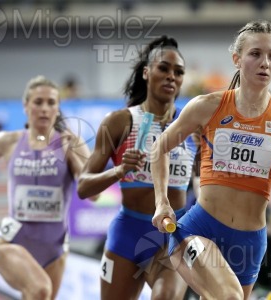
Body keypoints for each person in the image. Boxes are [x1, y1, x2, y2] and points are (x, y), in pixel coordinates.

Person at [151, 20, 271, 299]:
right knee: (229, 297)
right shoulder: (207, 106)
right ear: (237, 59)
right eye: (255, 54)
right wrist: (161, 202)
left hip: (249, 242)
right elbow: (158, 149)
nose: (265, 63)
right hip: (199, 230)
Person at [0, 75, 93, 300]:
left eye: (51, 102)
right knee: (40, 289)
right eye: (38, 102)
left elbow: (93, 195)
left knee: (37, 294)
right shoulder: (7, 141)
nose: (44, 108)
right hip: (12, 241)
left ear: (58, 107)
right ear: (25, 105)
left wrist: (85, 165)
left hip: (54, 248)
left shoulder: (72, 143)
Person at [77, 35, 197, 299]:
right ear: (146, 72)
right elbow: (83, 187)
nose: (171, 77)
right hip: (127, 236)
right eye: (163, 68)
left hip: (170, 236)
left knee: (165, 296)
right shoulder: (120, 122)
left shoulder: (192, 126)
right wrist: (118, 171)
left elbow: (207, 184)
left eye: (178, 72)